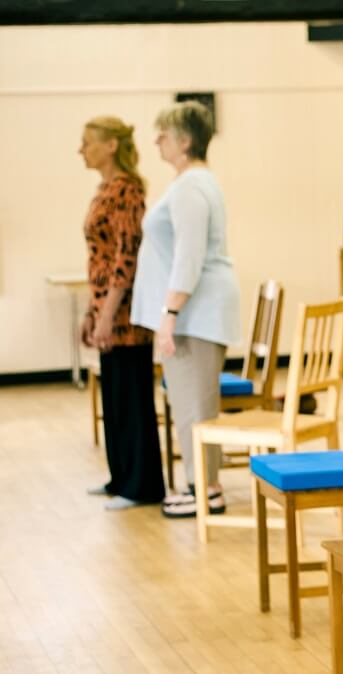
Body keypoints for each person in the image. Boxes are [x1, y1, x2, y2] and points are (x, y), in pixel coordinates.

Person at [131, 101, 240, 519]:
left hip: (196, 313)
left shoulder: (192, 186)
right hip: (194, 311)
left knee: (195, 405)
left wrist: (170, 312)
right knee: (188, 401)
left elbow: (189, 256)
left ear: (186, 140)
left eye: (164, 132)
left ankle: (206, 490)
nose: (156, 139)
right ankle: (201, 485)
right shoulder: (189, 183)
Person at [78, 116, 165, 510]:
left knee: (131, 398)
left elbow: (125, 257)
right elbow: (98, 258)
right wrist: (90, 311)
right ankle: (121, 477)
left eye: (87, 142)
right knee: (114, 397)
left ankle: (141, 485)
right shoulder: (105, 190)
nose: (82, 150)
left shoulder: (128, 191)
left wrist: (108, 313)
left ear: (111, 146)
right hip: (106, 308)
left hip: (126, 315)